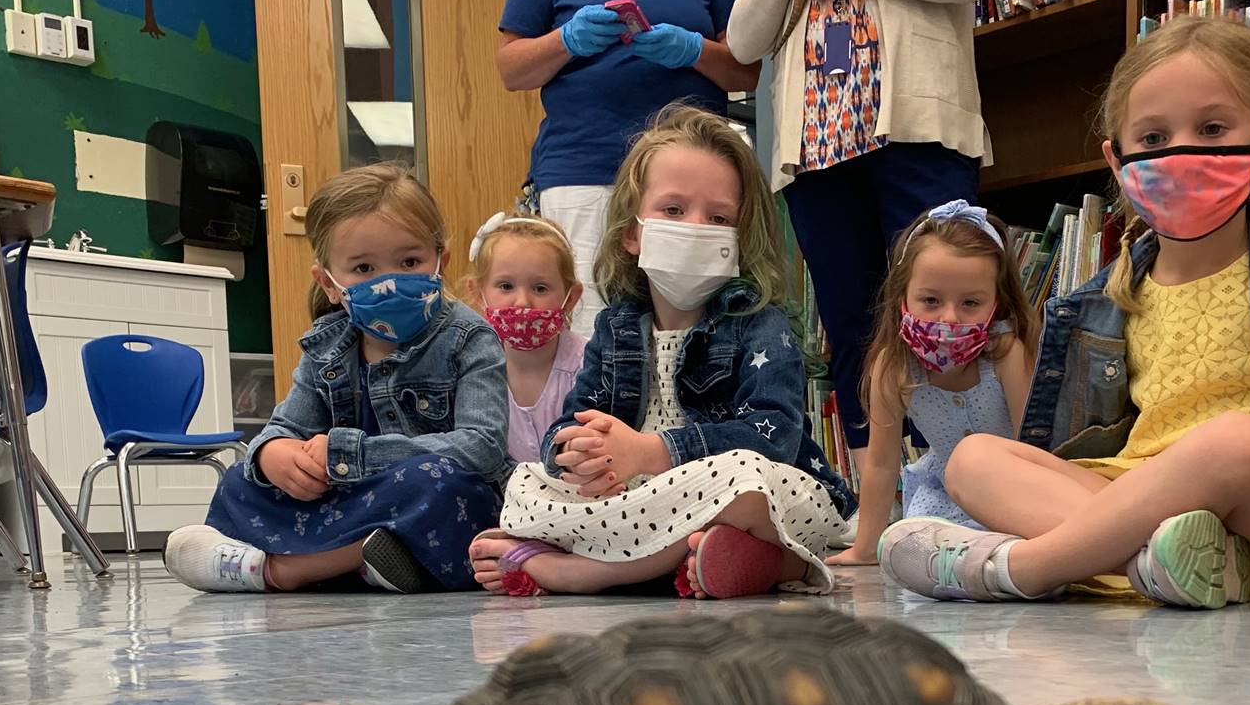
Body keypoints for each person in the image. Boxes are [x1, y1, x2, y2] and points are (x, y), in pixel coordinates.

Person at [877, 17, 1250, 608]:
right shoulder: (1100, 299)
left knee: (1235, 443)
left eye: (1212, 128)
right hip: (1134, 499)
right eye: (1152, 139)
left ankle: (1023, 567)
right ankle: (1157, 563)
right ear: (1118, 158)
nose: (1181, 153)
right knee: (971, 458)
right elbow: (1072, 449)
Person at [467, 103, 856, 599]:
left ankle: (585, 570)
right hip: (645, 497)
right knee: (525, 484)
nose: (694, 227)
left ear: (740, 237)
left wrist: (655, 450)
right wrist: (574, 453)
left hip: (752, 492)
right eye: (673, 210)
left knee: (746, 481)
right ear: (632, 233)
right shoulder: (615, 328)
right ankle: (752, 561)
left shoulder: (760, 323)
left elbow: (774, 436)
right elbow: (573, 421)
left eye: (718, 217)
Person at [164, 165, 508, 595]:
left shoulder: (469, 338)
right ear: (328, 284)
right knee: (241, 476)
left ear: (442, 261)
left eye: (410, 261)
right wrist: (275, 453)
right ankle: (365, 561)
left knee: (435, 483)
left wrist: (354, 455)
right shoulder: (326, 348)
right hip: (354, 500)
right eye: (364, 267)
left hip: (433, 502)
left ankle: (280, 570)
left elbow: (482, 445)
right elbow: (285, 427)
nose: (388, 282)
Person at [727, 0, 991, 452]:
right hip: (816, 151)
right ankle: (879, 501)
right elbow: (743, 41)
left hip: (921, 136)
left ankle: (965, 478)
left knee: (947, 314)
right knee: (852, 329)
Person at [499, 0, 761, 335]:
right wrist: (566, 40)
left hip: (691, 179)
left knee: (693, 330)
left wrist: (694, 50)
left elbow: (746, 69)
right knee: (586, 333)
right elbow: (511, 69)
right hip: (584, 170)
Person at [830, 198, 1037, 567]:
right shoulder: (893, 366)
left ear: (996, 303)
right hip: (940, 498)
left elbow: (1034, 445)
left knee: (1012, 549)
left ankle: (998, 564)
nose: (950, 318)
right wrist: (864, 550)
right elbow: (880, 463)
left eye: (971, 303)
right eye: (930, 300)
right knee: (907, 549)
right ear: (902, 298)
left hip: (1015, 494)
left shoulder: (1006, 353)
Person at [466, 211, 587, 465]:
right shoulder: (471, 368)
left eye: (540, 288)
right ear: (478, 294)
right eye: (506, 286)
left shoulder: (586, 364)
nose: (523, 302)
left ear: (571, 297)